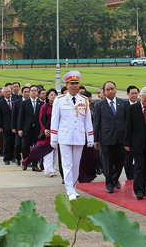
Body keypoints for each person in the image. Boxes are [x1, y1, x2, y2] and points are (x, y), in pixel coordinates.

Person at [51, 71, 94, 201]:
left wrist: (90, 137)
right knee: (67, 164)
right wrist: (54, 138)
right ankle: (69, 189)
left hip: (79, 136)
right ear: (67, 85)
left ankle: (73, 188)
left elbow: (88, 121)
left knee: (76, 164)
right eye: (72, 84)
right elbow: (55, 120)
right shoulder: (59, 100)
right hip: (65, 137)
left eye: (76, 83)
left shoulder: (84, 101)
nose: (75, 86)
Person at [93, 81, 128, 193]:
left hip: (121, 138)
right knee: (107, 163)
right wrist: (96, 140)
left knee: (120, 162)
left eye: (112, 89)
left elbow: (127, 122)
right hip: (106, 138)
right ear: (104, 92)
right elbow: (96, 123)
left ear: (115, 89)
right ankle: (109, 184)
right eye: (107, 90)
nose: (110, 91)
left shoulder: (123, 103)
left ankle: (115, 179)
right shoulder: (99, 105)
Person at [23, 89, 58, 177]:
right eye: (51, 95)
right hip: (47, 132)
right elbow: (40, 119)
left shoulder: (59, 107)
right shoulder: (44, 106)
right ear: (47, 97)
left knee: (55, 151)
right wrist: (44, 129)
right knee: (47, 151)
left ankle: (53, 168)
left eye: (54, 95)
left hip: (57, 132)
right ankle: (49, 169)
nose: (53, 96)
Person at [18, 85, 44, 171]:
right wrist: (20, 129)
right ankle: (25, 163)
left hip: (37, 129)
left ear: (37, 92)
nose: (33, 92)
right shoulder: (25, 103)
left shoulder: (41, 103)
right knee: (25, 147)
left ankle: (35, 165)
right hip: (27, 129)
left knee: (36, 148)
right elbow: (21, 117)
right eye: (32, 90)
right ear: (29, 92)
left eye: (35, 90)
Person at [124, 85, 140, 180]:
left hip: (138, 138)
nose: (134, 95)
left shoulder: (140, 105)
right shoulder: (124, 106)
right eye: (132, 93)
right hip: (128, 137)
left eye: (136, 93)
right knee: (128, 160)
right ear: (127, 94)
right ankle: (130, 178)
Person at [12, 86, 30, 165]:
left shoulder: (31, 102)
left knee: (26, 146)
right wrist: (14, 127)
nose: (26, 93)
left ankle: (26, 160)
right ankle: (17, 158)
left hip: (28, 127)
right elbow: (14, 115)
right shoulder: (17, 102)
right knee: (18, 144)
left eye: (27, 92)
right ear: (22, 93)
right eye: (25, 92)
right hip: (19, 126)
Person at [0, 87, 15, 165]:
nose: (8, 93)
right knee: (6, 142)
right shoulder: (0, 103)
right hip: (5, 126)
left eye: (9, 92)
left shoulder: (14, 101)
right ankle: (6, 158)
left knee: (13, 142)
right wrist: (0, 126)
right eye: (6, 92)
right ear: (3, 93)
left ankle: (13, 156)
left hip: (14, 126)